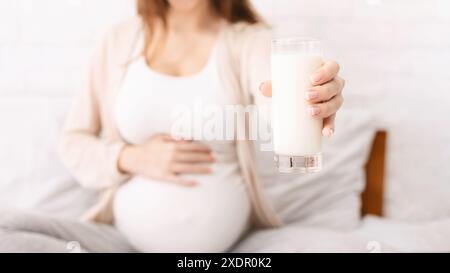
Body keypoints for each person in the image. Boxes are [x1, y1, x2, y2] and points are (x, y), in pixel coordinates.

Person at [0, 0, 345, 253]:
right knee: (6, 231)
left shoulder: (250, 41)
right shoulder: (118, 41)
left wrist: (308, 102)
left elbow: (275, 97)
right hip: (119, 243)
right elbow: (73, 142)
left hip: (231, 251)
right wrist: (132, 158)